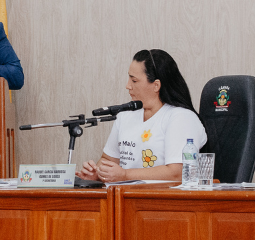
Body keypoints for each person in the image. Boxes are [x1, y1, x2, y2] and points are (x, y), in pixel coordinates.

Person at [78, 49, 207, 183]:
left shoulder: (182, 118)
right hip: (122, 194)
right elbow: (108, 159)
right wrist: (97, 173)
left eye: (134, 80)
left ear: (156, 85)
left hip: (161, 196)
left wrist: (125, 175)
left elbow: (177, 173)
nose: (128, 86)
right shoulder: (125, 116)